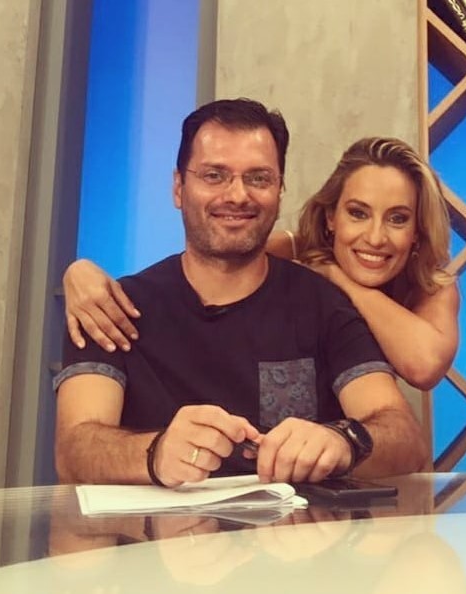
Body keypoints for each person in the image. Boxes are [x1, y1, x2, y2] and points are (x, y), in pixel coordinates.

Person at [54, 98, 427, 488]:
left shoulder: (324, 305)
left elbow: (406, 439)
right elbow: (73, 451)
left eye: (258, 178)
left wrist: (344, 441)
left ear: (279, 189)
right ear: (179, 187)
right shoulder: (113, 308)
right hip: (149, 528)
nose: (237, 195)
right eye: (214, 175)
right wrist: (154, 452)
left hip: (295, 528)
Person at [63, 137, 459, 390]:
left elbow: (424, 366)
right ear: (331, 218)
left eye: (397, 219)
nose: (375, 237)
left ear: (417, 231)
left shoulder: (432, 285)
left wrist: (337, 277)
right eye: (358, 213)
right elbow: (202, 265)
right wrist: (79, 272)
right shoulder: (291, 247)